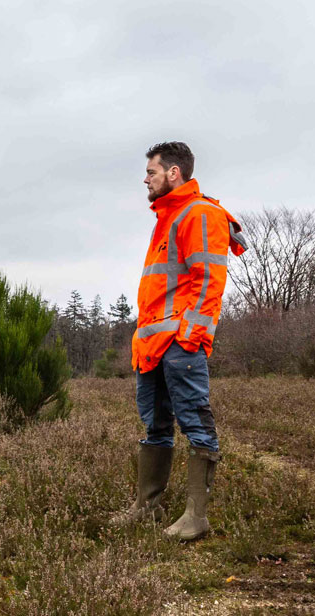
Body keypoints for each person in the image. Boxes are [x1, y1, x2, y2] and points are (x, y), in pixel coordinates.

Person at [112, 141, 248, 540]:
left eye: (151, 172)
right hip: (152, 347)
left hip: (178, 345)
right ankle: (147, 508)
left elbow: (209, 282)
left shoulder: (200, 213)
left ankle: (196, 518)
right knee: (156, 427)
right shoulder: (167, 216)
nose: (146, 179)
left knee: (196, 426)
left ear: (174, 173)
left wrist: (188, 339)